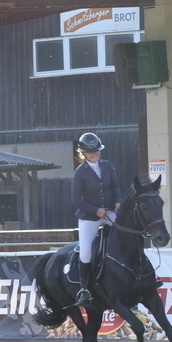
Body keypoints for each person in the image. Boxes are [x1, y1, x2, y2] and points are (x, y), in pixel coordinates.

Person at [72, 131, 122, 306]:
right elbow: (77, 199)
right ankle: (84, 289)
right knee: (86, 253)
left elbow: (115, 187)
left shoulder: (107, 166)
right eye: (91, 152)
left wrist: (117, 202)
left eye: (97, 150)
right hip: (89, 218)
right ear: (84, 153)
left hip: (109, 212)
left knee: (128, 233)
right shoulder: (80, 173)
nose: (95, 154)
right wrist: (95, 211)